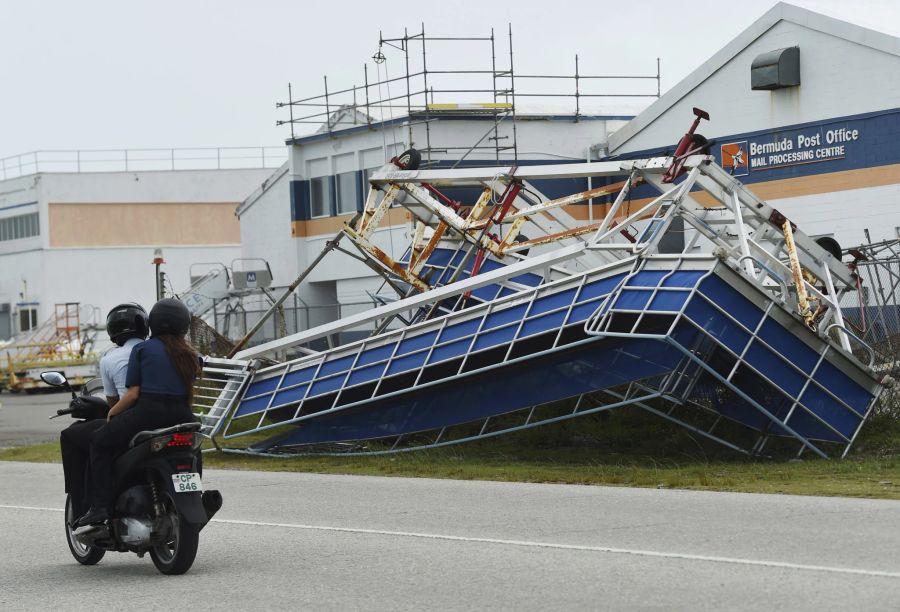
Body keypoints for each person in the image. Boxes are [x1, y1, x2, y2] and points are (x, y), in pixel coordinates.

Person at [76, 298, 201, 527]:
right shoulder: (191, 355)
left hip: (148, 413)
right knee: (192, 449)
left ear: (152, 322)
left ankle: (101, 507)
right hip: (184, 414)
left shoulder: (143, 349)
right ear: (184, 325)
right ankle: (195, 492)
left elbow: (133, 394)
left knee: (98, 441)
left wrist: (112, 413)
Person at [60, 303, 148, 520]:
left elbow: (116, 401)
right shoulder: (160, 351)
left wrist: (111, 412)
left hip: (132, 419)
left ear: (113, 330)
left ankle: (90, 505)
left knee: (75, 437)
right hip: (172, 416)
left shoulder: (111, 358)